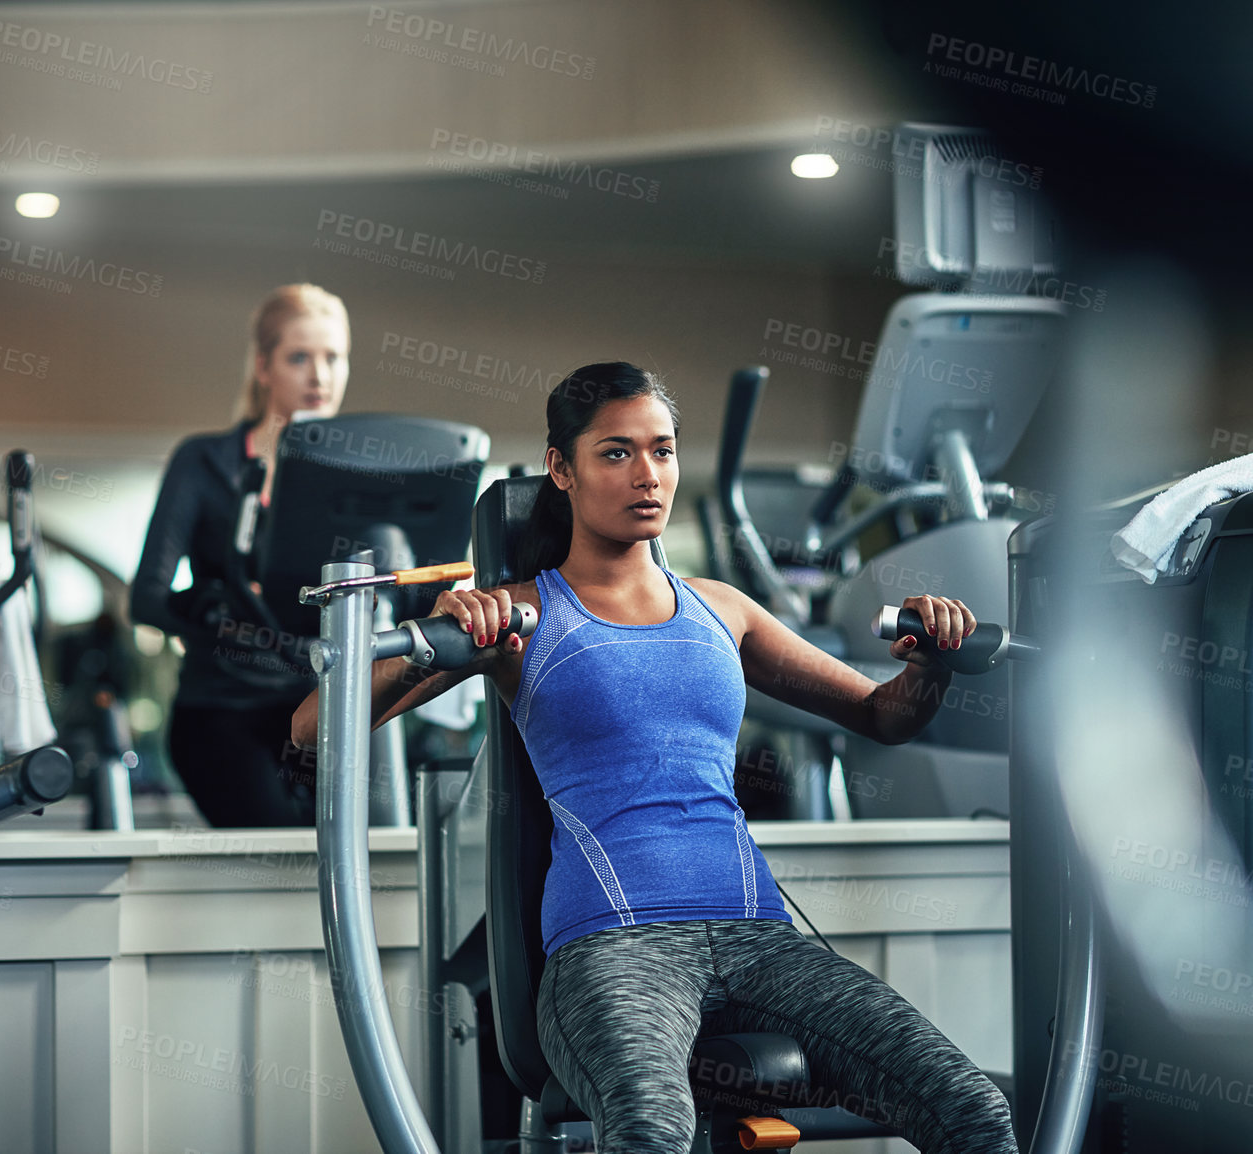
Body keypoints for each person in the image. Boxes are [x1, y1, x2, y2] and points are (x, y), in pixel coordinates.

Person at [292, 361, 1018, 1153]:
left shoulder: (724, 609)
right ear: (560, 469)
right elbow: (312, 727)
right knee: (651, 1131)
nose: (648, 475)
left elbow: (882, 717)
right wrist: (438, 636)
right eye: (615, 453)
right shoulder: (525, 614)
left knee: (971, 1107)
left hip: (760, 938)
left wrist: (930, 665)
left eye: (663, 450)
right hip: (613, 945)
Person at [132, 283, 349, 827]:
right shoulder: (204, 462)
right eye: (299, 357)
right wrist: (217, 614)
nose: (319, 377)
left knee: (342, 862)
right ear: (263, 366)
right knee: (276, 855)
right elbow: (147, 599)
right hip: (220, 714)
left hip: (314, 714)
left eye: (333, 357)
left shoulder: (350, 478)